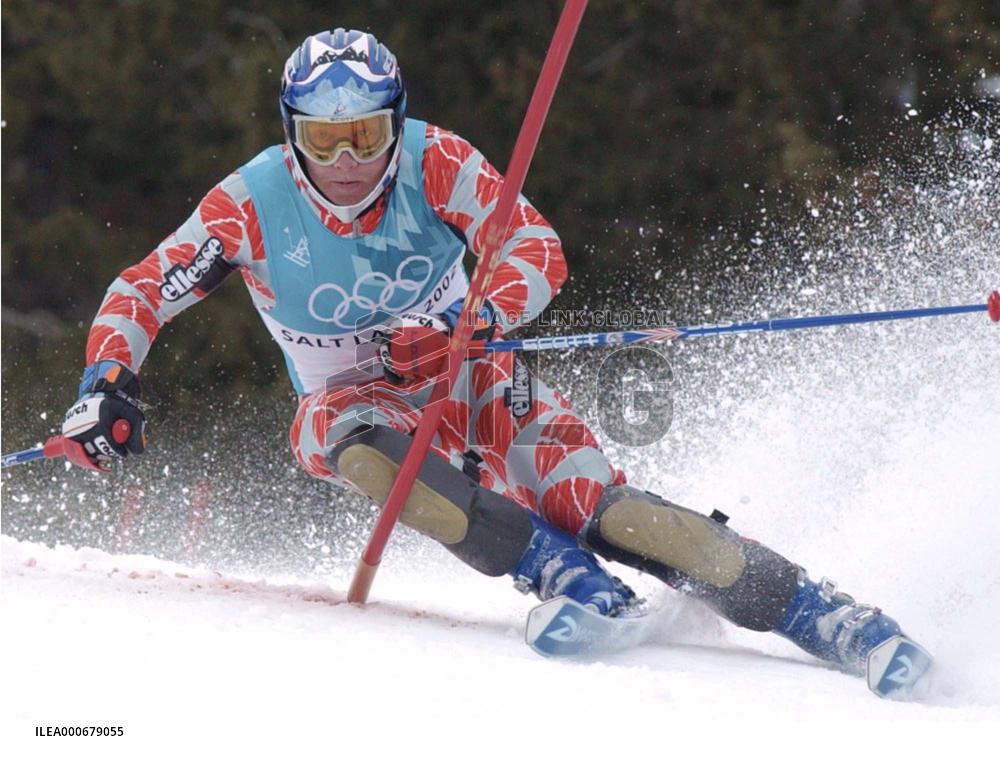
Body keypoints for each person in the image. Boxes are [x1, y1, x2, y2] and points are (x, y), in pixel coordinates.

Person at [61, 28, 927, 691]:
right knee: (353, 441)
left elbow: (535, 250)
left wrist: (476, 321)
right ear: (293, 136)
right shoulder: (249, 206)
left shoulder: (434, 163)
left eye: (365, 135)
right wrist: (106, 384)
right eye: (324, 142)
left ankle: (831, 618)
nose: (349, 162)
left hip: (478, 376)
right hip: (357, 398)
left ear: (393, 123)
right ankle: (564, 578)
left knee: (601, 506)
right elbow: (142, 290)